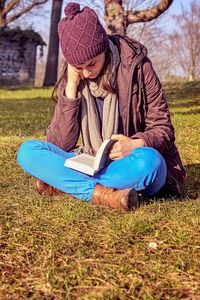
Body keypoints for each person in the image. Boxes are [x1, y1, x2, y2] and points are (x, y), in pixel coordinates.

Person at [17, 2, 186, 211]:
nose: (86, 73)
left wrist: (136, 144)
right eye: (79, 67)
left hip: (129, 161)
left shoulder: (138, 66)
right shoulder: (74, 77)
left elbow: (164, 128)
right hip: (90, 159)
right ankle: (102, 194)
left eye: (91, 64)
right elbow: (59, 143)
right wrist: (71, 88)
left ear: (104, 48)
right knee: (28, 151)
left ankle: (66, 184)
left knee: (150, 162)